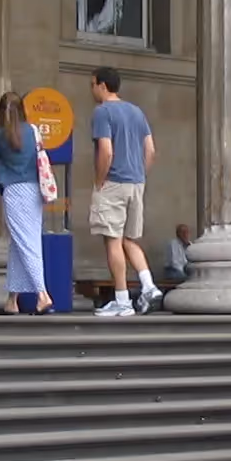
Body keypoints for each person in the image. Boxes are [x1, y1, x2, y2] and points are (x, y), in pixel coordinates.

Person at [89, 67, 158, 317]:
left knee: (113, 240)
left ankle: (122, 299)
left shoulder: (102, 112)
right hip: (136, 182)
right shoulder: (136, 111)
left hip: (114, 182)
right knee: (130, 239)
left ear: (103, 86)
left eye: (93, 84)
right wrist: (140, 175)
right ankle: (148, 286)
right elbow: (150, 150)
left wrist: (99, 181)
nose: (92, 89)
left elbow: (106, 151)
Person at [0, 90, 52, 316]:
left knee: (26, 242)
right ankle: (12, 300)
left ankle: (42, 295)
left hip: (14, 191)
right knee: (20, 241)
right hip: (34, 190)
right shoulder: (33, 131)